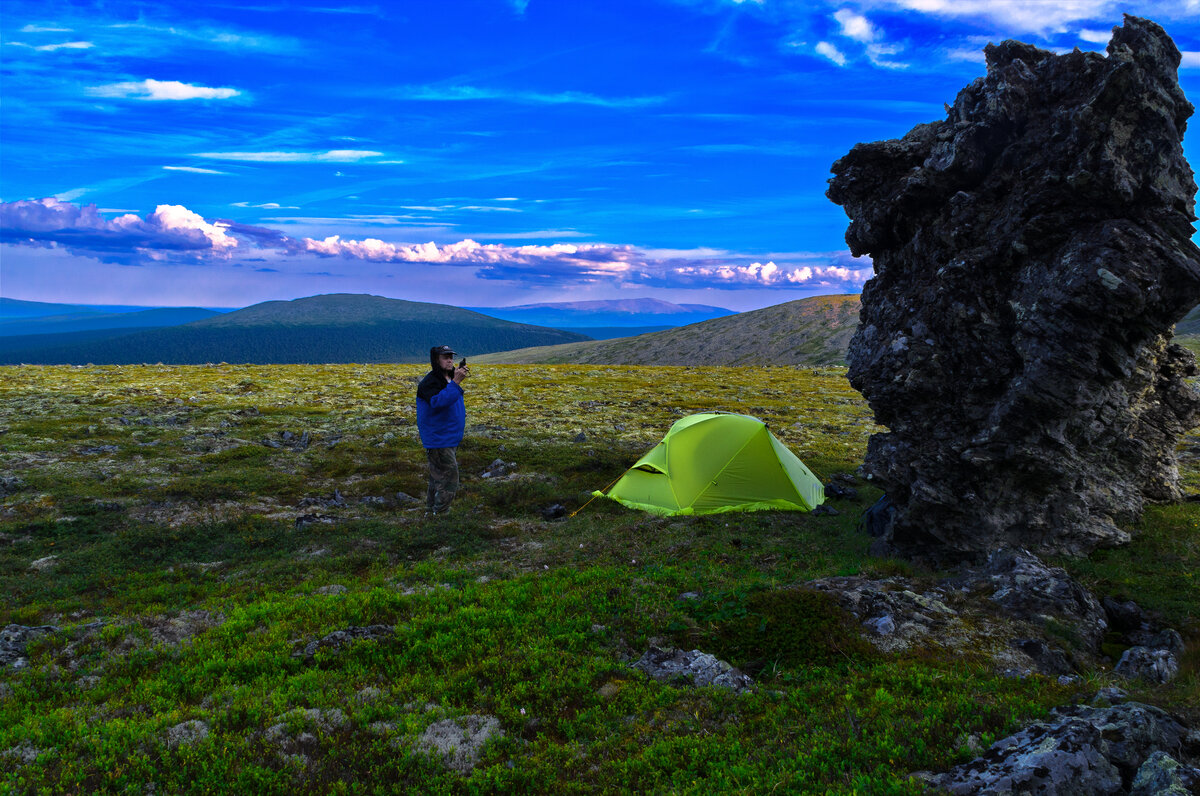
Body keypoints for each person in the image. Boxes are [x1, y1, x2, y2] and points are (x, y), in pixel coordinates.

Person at [416, 344, 469, 514]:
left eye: (451, 357)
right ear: (436, 360)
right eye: (445, 357)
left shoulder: (449, 378)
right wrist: (456, 383)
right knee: (449, 478)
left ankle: (431, 513)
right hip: (439, 439)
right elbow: (438, 403)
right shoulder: (429, 383)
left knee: (437, 478)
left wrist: (454, 381)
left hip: (449, 437)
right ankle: (440, 516)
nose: (449, 360)